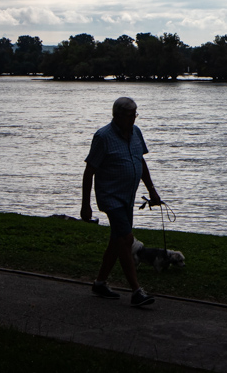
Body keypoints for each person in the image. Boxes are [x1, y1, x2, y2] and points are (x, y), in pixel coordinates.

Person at [81, 97, 161, 307]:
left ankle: (99, 283)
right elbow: (89, 171)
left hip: (128, 197)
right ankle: (136, 291)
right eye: (128, 115)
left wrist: (152, 190)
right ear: (116, 116)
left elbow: (140, 161)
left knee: (116, 241)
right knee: (126, 239)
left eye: (135, 115)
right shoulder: (103, 137)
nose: (133, 119)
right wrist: (85, 205)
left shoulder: (137, 133)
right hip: (110, 197)